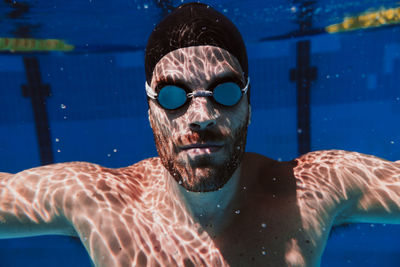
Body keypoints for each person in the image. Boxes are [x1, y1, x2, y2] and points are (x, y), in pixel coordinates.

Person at [1, 3, 399, 267]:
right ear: (150, 109)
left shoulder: (313, 189)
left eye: (225, 92)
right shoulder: (99, 201)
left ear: (248, 101)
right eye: (174, 97)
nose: (202, 116)